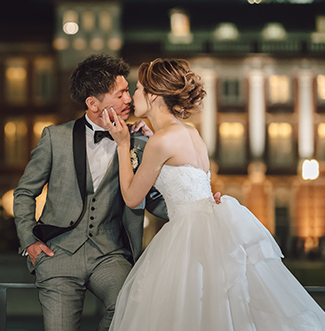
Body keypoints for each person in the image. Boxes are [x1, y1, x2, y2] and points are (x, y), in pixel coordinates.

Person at [102, 58, 325, 330]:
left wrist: (123, 145)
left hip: (187, 233)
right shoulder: (191, 133)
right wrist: (151, 134)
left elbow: (132, 197)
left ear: (154, 95)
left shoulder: (161, 141)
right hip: (213, 224)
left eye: (138, 89)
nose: (133, 95)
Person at [13, 54, 170, 331]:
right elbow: (25, 192)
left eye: (127, 92)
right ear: (93, 103)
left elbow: (152, 199)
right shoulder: (55, 137)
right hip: (58, 254)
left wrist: (196, 204)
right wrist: (29, 241)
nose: (128, 100)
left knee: (132, 302)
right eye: (120, 94)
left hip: (109, 254)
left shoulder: (139, 141)